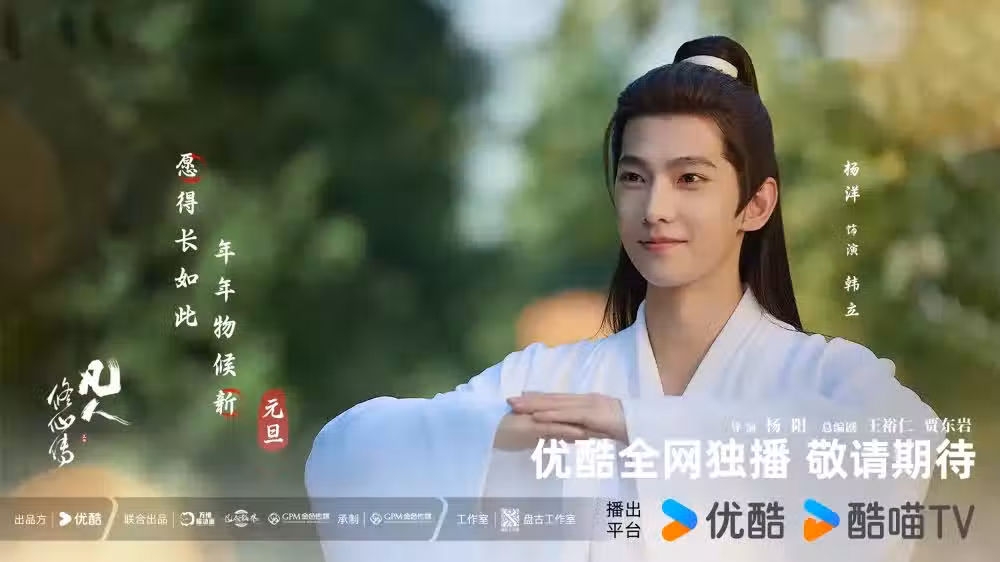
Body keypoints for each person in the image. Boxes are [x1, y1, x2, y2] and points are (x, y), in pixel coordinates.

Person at [306, 36, 936, 562]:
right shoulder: (548, 383)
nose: (655, 207)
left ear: (756, 203)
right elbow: (348, 454)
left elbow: (898, 444)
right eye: (634, 177)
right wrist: (488, 435)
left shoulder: (825, 377)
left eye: (690, 178)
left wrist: (635, 423)